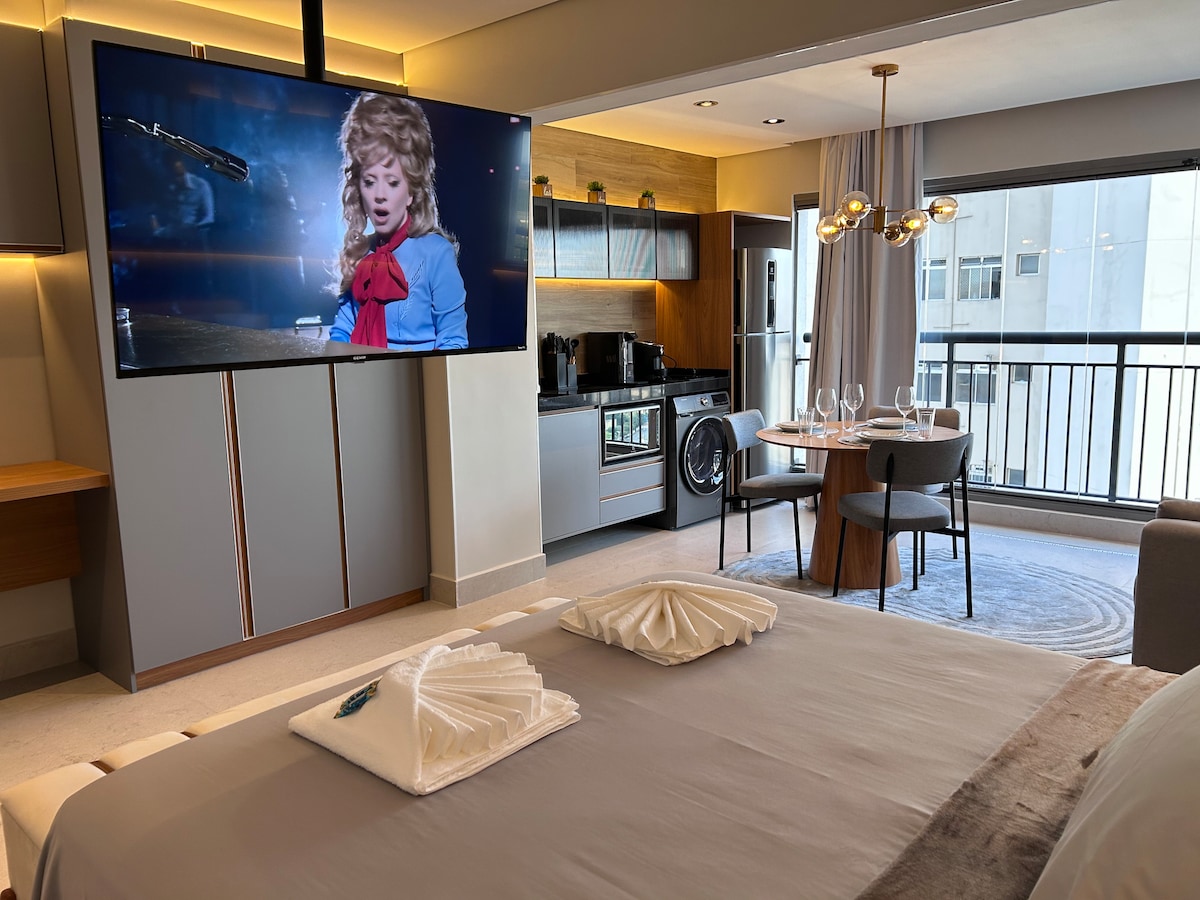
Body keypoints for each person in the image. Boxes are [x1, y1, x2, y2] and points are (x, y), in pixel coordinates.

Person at [328, 93, 467, 351]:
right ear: (358, 188)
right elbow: (341, 332)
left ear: (411, 190)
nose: (379, 195)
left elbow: (454, 341)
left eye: (392, 182)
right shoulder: (360, 253)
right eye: (370, 182)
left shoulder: (437, 253)